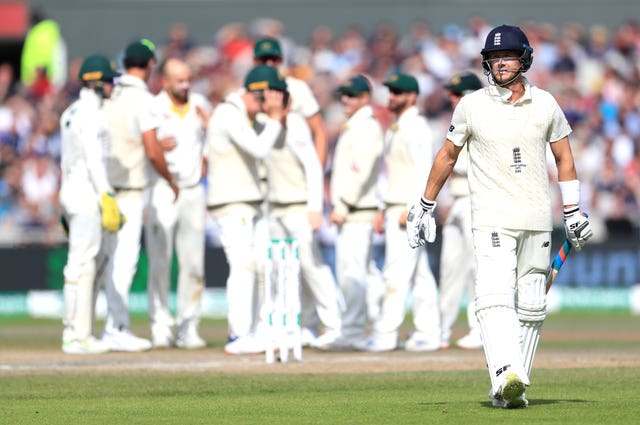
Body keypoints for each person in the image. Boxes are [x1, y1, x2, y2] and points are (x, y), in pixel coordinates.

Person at [407, 25, 593, 408]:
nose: (500, 63)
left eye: (507, 56)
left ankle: (513, 390)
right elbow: (447, 155)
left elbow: (564, 159)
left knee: (532, 305)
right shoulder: (471, 105)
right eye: (493, 58)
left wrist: (572, 212)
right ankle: (505, 370)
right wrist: (425, 204)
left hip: (538, 218)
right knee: (492, 296)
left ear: (524, 58)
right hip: (492, 217)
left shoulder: (545, 104)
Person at [101, 39, 178, 352]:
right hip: (130, 191)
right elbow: (150, 148)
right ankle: (116, 327)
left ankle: (92, 329)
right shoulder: (144, 98)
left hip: (103, 188)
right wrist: (170, 179)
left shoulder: (107, 94)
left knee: (104, 261)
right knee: (124, 261)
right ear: (149, 66)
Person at [206, 64, 285, 355]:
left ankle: (251, 331)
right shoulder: (228, 113)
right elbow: (259, 149)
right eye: (269, 100)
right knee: (242, 266)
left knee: (254, 265)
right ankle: (239, 334)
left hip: (246, 202)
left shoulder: (242, 115)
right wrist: (275, 119)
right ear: (258, 94)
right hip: (232, 203)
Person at [358, 73, 441, 352]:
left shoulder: (416, 127)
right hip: (396, 206)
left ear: (412, 96)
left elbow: (423, 169)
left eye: (397, 92)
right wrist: (383, 207)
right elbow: (391, 173)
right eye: (390, 91)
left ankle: (386, 334)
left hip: (408, 210)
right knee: (420, 274)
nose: (391, 96)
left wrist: (413, 208)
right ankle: (429, 333)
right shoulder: (398, 127)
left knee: (395, 274)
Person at [262, 88, 343, 349]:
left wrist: (315, 208)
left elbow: (312, 166)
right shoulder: (265, 124)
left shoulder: (295, 124)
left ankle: (334, 326)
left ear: (287, 107)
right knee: (283, 271)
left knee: (312, 267)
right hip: (275, 208)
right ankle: (301, 326)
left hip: (298, 207)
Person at [59, 55, 124, 354]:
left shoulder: (72, 111)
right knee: (81, 264)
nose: (113, 85)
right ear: (96, 82)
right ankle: (74, 336)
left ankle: (82, 332)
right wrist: (106, 194)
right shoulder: (89, 114)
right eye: (109, 80)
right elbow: (93, 159)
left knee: (90, 264)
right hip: (86, 193)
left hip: (74, 192)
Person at [145, 58, 211, 349]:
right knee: (160, 261)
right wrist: (159, 147)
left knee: (194, 263)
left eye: (187, 79)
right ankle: (160, 325)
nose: (185, 85)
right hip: (162, 187)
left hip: (193, 190)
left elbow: (214, 137)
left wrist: (206, 158)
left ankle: (188, 326)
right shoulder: (153, 107)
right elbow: (143, 146)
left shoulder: (200, 104)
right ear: (165, 82)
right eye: (179, 80)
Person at [323, 75, 383, 349]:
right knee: (364, 273)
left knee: (353, 274)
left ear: (364, 98)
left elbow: (361, 169)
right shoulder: (355, 125)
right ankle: (375, 328)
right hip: (354, 209)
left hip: (356, 211)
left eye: (351, 95)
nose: (345, 100)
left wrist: (343, 204)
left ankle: (354, 332)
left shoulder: (366, 127)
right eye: (343, 95)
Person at [438, 71, 484, 350]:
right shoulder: (454, 123)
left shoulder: (484, 121)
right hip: (456, 200)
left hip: (476, 199)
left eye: (458, 94)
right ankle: (441, 330)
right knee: (450, 267)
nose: (452, 99)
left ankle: (478, 330)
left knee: (475, 269)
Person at [253, 37, 329, 168]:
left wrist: (318, 173)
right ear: (254, 62)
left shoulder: (296, 88)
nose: (269, 63)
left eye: (274, 59)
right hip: (260, 170)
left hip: (292, 167)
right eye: (263, 60)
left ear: (281, 60)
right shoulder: (248, 91)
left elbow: (319, 131)